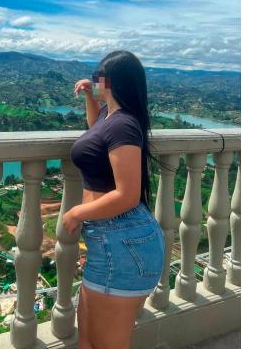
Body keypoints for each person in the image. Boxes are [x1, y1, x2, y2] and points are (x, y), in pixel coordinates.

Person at [62, 50, 172, 349]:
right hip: (111, 241)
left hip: (122, 243)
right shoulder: (109, 117)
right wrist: (89, 96)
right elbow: (96, 130)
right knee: (86, 341)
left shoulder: (123, 124)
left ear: (110, 81)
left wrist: (77, 213)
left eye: (98, 77)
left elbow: (127, 195)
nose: (94, 80)